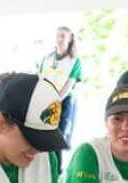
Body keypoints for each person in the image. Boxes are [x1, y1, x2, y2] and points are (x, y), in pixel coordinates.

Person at [39, 26, 82, 173]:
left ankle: (56, 172)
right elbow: (40, 79)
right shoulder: (47, 58)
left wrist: (55, 101)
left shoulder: (74, 61)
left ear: (70, 39)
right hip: (46, 100)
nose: (59, 39)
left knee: (58, 136)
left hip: (63, 101)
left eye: (63, 36)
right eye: (57, 35)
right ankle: (44, 168)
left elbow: (69, 85)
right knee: (43, 134)